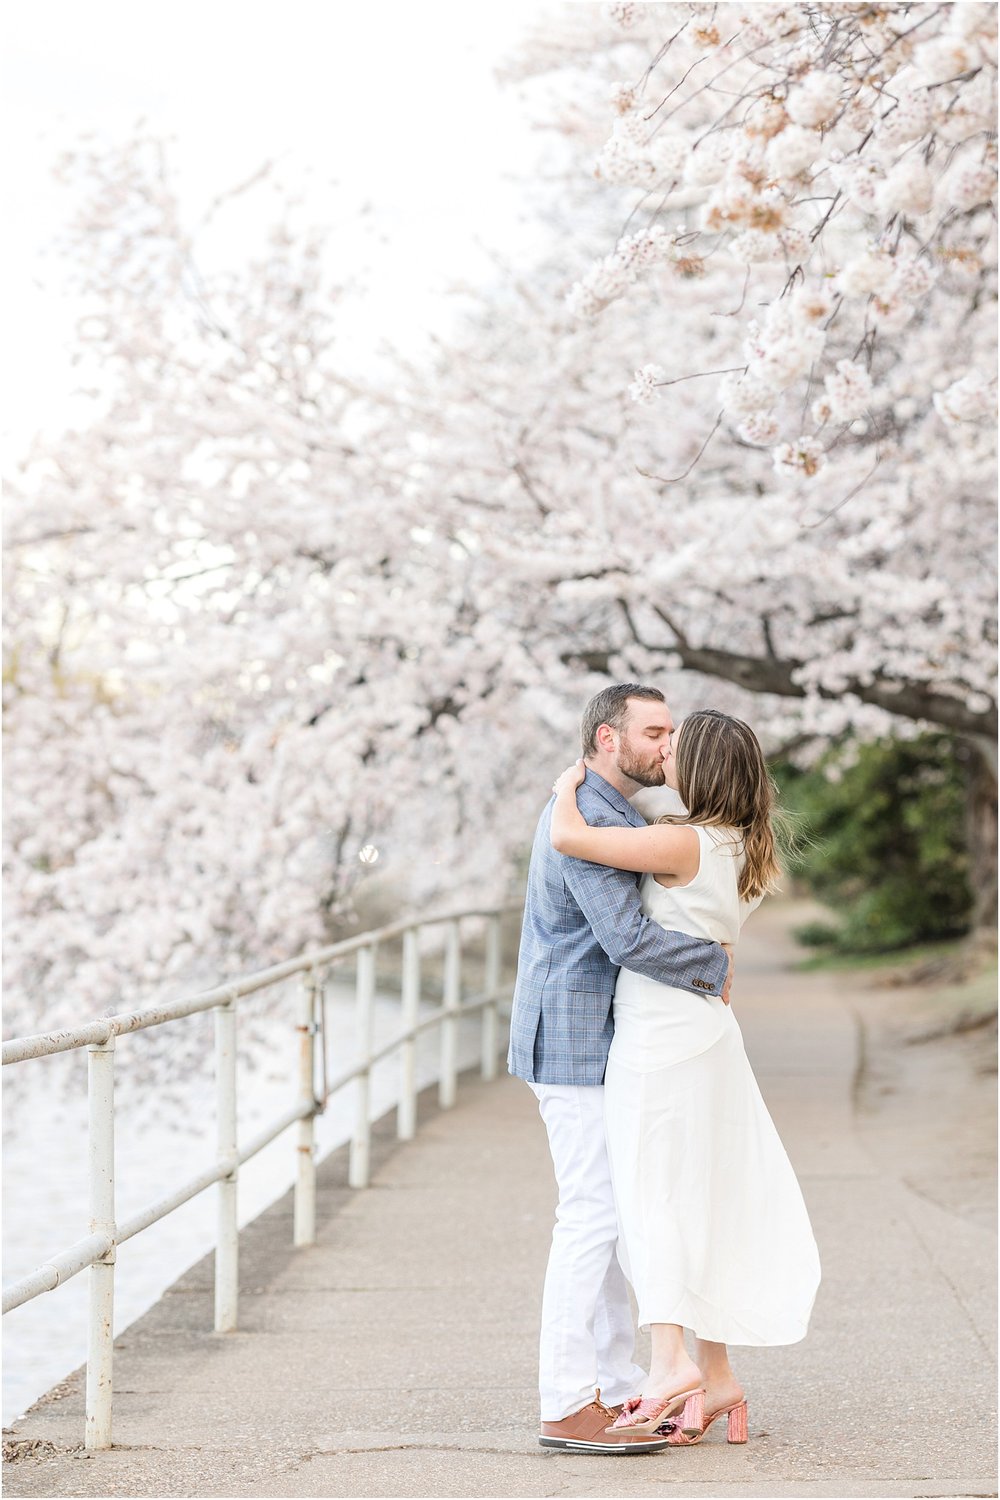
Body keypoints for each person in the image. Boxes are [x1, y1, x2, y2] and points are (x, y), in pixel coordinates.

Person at [549, 708, 822, 1442]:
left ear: (698, 767)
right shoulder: (744, 844)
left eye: (677, 744)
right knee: (700, 1197)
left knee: (653, 1198)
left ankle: (670, 1363)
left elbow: (569, 838)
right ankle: (720, 1375)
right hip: (709, 1036)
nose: (666, 750)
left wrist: (567, 783)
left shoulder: (679, 841)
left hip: (660, 1040)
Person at [507, 684, 733, 1454]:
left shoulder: (609, 811)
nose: (669, 745)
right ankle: (568, 1401)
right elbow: (626, 939)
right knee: (593, 1214)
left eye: (672, 731)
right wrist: (714, 961)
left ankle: (616, 1384)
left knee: (610, 1213)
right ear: (608, 739)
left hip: (586, 1036)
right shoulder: (594, 816)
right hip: (569, 1038)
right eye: (655, 732)